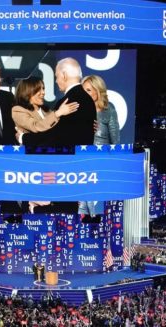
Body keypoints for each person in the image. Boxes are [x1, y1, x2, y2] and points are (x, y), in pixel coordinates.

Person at [17, 57, 96, 147]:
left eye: (57, 76)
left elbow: (53, 136)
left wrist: (23, 137)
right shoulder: (89, 99)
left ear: (64, 75)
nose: (56, 81)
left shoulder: (66, 102)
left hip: (66, 158)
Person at [78, 75, 120, 217]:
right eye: (83, 91)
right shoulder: (77, 110)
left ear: (98, 91)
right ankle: (88, 221)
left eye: (89, 90)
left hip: (101, 160)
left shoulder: (108, 110)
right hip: (81, 160)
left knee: (90, 194)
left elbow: (115, 140)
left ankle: (92, 220)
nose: (86, 94)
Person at [12, 76, 79, 134]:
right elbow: (36, 127)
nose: (43, 93)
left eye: (43, 89)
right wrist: (58, 113)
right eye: (38, 89)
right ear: (27, 91)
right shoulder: (18, 110)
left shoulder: (47, 110)